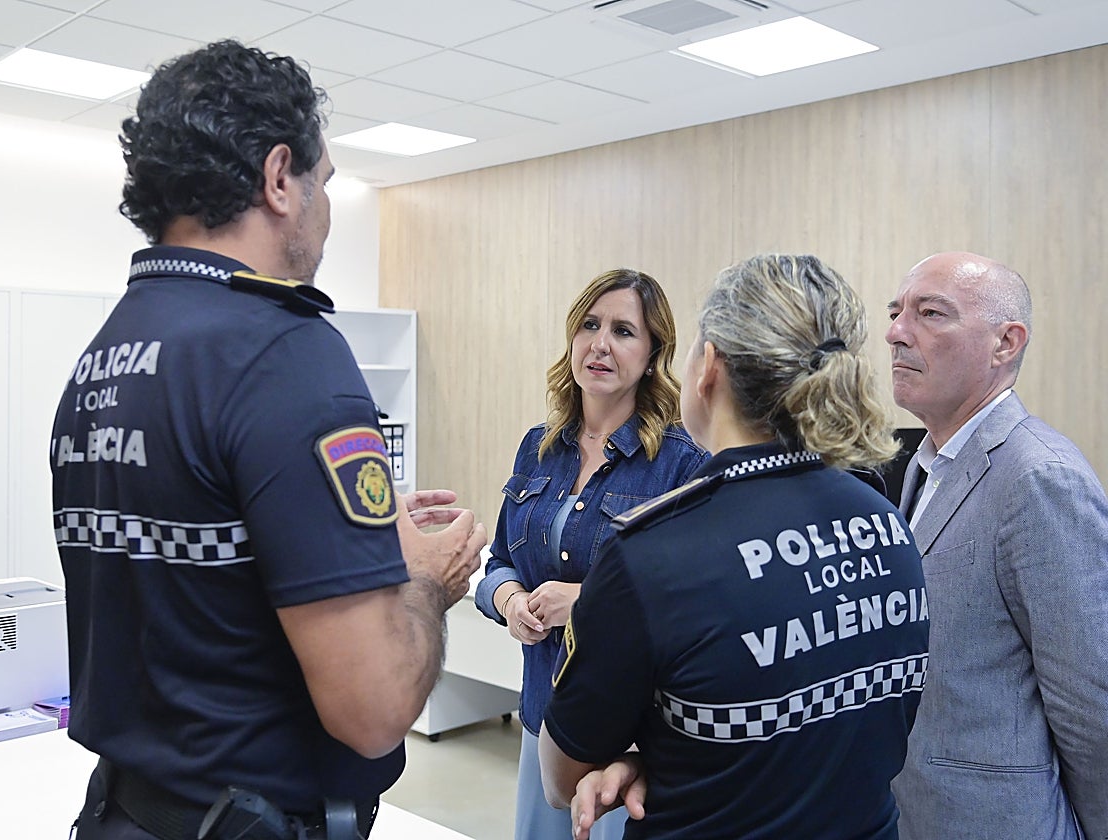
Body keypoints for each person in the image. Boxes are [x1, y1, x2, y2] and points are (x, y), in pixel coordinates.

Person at [51, 40, 487, 840]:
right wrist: (425, 580)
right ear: (279, 178)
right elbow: (374, 709)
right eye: (325, 183)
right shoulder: (286, 353)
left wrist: (357, 542)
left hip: (128, 813)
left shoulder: (108, 352)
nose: (324, 207)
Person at [540, 254, 930, 839]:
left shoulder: (654, 553)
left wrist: (651, 760)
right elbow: (850, 723)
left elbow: (560, 776)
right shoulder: (887, 518)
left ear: (710, 367)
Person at [473, 268, 708, 839]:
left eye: (624, 331)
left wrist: (585, 601)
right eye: (590, 325)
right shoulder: (539, 447)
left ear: (654, 354)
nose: (600, 344)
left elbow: (696, 600)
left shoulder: (681, 462)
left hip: (622, 739)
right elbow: (499, 559)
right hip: (541, 715)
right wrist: (509, 601)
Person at [885, 252, 1108, 840]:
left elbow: (1092, 705)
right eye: (896, 312)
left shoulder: (1040, 477)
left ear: (1005, 343)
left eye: (930, 314)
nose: (896, 332)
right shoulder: (923, 466)